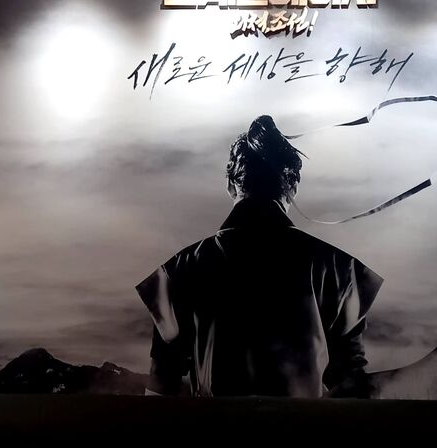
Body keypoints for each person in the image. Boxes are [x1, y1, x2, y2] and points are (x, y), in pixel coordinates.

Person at [136, 115, 382, 397]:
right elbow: (353, 389)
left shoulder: (180, 271)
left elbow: (160, 388)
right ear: (293, 188)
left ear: (231, 186)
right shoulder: (338, 271)